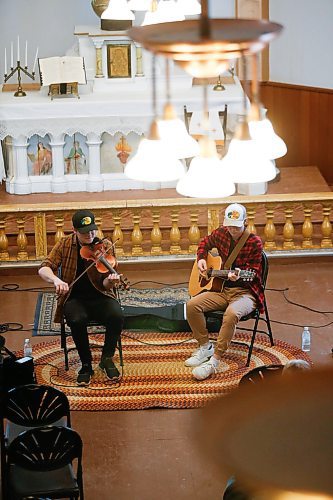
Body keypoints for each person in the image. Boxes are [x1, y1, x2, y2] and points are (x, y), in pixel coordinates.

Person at [38, 209, 124, 386]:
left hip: (101, 295)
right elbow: (44, 268)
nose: (90, 235)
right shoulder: (65, 244)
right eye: (85, 232)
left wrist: (111, 280)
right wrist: (56, 280)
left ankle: (107, 358)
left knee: (117, 315)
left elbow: (106, 286)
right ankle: (86, 364)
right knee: (76, 320)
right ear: (74, 230)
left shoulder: (105, 244)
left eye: (93, 230)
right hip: (75, 298)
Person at [185, 203, 264, 381]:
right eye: (229, 225)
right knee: (191, 305)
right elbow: (204, 243)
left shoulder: (254, 242)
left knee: (231, 313)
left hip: (245, 292)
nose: (232, 230)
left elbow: (252, 274)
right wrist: (201, 259)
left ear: (245, 222)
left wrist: (240, 277)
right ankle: (205, 346)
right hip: (222, 288)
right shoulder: (221, 232)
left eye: (236, 227)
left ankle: (214, 360)